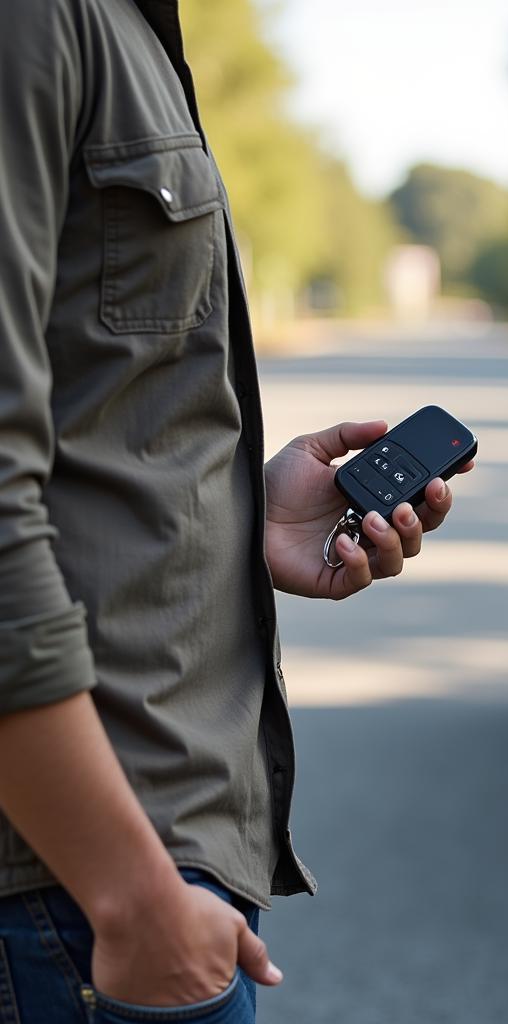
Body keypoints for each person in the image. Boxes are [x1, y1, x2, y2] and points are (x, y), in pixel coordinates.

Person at [0, 1, 471, 1021]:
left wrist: (242, 528)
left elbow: (92, 418)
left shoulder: (126, 27)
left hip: (121, 870)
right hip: (76, 887)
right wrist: (131, 900)